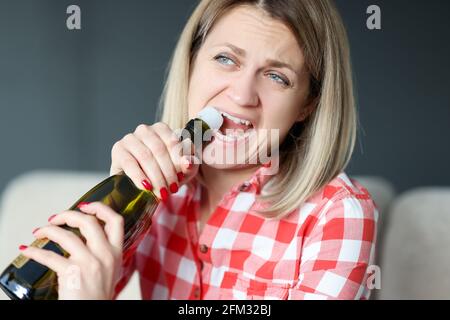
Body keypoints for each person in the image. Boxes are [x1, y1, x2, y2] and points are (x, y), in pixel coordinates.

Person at [20, 0, 378, 300]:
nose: (241, 94)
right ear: (191, 63)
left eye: (276, 77)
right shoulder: (155, 186)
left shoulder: (339, 214)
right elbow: (47, 289)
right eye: (226, 59)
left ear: (307, 105)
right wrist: (119, 196)